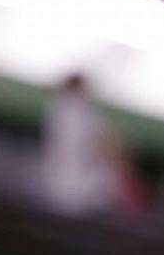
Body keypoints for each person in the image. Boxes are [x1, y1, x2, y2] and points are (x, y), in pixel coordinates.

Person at [39, 72, 120, 215]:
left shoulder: (58, 108)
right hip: (73, 186)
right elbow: (100, 143)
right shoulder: (78, 113)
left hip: (58, 182)